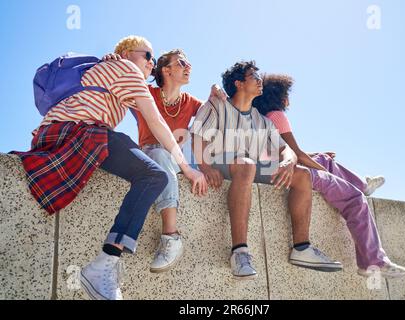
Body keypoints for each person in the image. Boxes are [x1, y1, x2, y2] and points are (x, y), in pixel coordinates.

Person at [11, 35, 207, 300]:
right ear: (127, 54)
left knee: (150, 173)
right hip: (82, 131)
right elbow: (156, 121)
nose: (151, 63)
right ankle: (105, 262)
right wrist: (188, 167)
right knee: (153, 175)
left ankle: (105, 264)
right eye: (147, 56)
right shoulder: (126, 69)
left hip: (60, 133)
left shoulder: (113, 72)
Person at [191, 61, 343, 280]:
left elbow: (286, 150)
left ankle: (302, 248)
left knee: (301, 175)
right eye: (254, 76)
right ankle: (240, 252)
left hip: (246, 168)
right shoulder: (217, 105)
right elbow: (197, 136)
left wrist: (288, 161)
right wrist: (205, 167)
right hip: (217, 163)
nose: (260, 79)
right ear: (239, 83)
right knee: (246, 163)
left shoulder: (261, 121)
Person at [252, 73, 405, 278]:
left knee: (323, 157)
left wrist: (317, 156)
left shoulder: (264, 118)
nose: (289, 99)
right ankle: (373, 262)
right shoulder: (278, 116)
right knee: (355, 199)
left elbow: (286, 152)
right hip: (290, 174)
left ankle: (362, 184)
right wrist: (326, 172)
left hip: (275, 170)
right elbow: (296, 155)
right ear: (280, 97)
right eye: (287, 95)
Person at [103, 49, 226, 273]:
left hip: (183, 157)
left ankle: (171, 235)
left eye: (189, 63)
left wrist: (215, 92)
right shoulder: (145, 92)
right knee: (158, 153)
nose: (189, 67)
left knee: (212, 111)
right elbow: (117, 84)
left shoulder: (191, 102)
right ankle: (171, 237)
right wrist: (113, 63)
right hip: (157, 156)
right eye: (182, 63)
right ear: (166, 70)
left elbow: (213, 119)